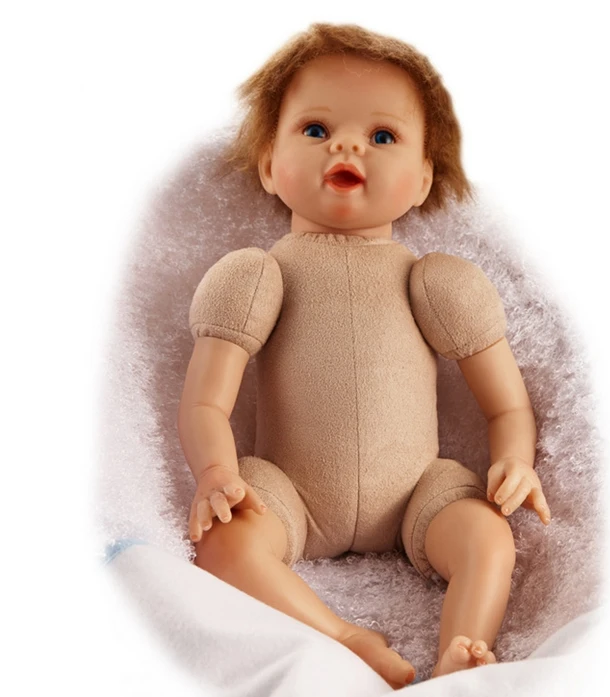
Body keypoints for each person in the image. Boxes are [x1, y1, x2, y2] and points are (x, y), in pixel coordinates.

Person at [178, 22, 551, 689]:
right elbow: (206, 401)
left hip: (417, 493)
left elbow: (508, 405)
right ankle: (344, 638)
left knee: (489, 535)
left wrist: (515, 460)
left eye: (382, 136)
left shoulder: (435, 282)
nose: (347, 145)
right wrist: (215, 474)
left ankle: (462, 647)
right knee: (221, 542)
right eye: (316, 128)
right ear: (269, 164)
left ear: (423, 178)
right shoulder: (256, 276)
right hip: (290, 492)